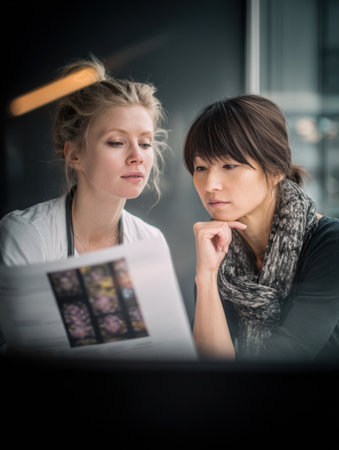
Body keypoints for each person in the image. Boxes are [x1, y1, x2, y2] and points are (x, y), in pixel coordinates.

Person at [183, 94, 339, 362]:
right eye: (201, 167)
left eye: (229, 165)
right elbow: (212, 370)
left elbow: (289, 357)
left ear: (276, 169)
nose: (210, 184)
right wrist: (206, 275)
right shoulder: (216, 249)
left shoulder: (329, 243)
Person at [0, 56, 169, 266]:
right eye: (117, 142)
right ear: (75, 155)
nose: (137, 157)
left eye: (145, 144)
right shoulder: (28, 235)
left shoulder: (151, 242)